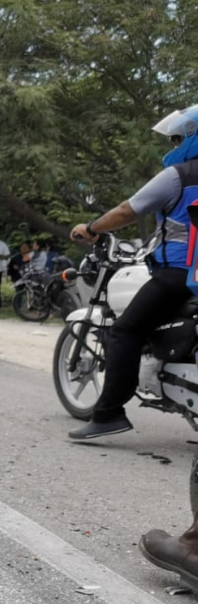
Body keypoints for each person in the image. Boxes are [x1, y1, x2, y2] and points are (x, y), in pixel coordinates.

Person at [67, 103, 198, 440]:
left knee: (125, 331)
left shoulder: (178, 176)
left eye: (175, 140)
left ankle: (108, 413)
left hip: (180, 273)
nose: (173, 147)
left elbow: (128, 210)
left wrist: (92, 227)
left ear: (190, 137)